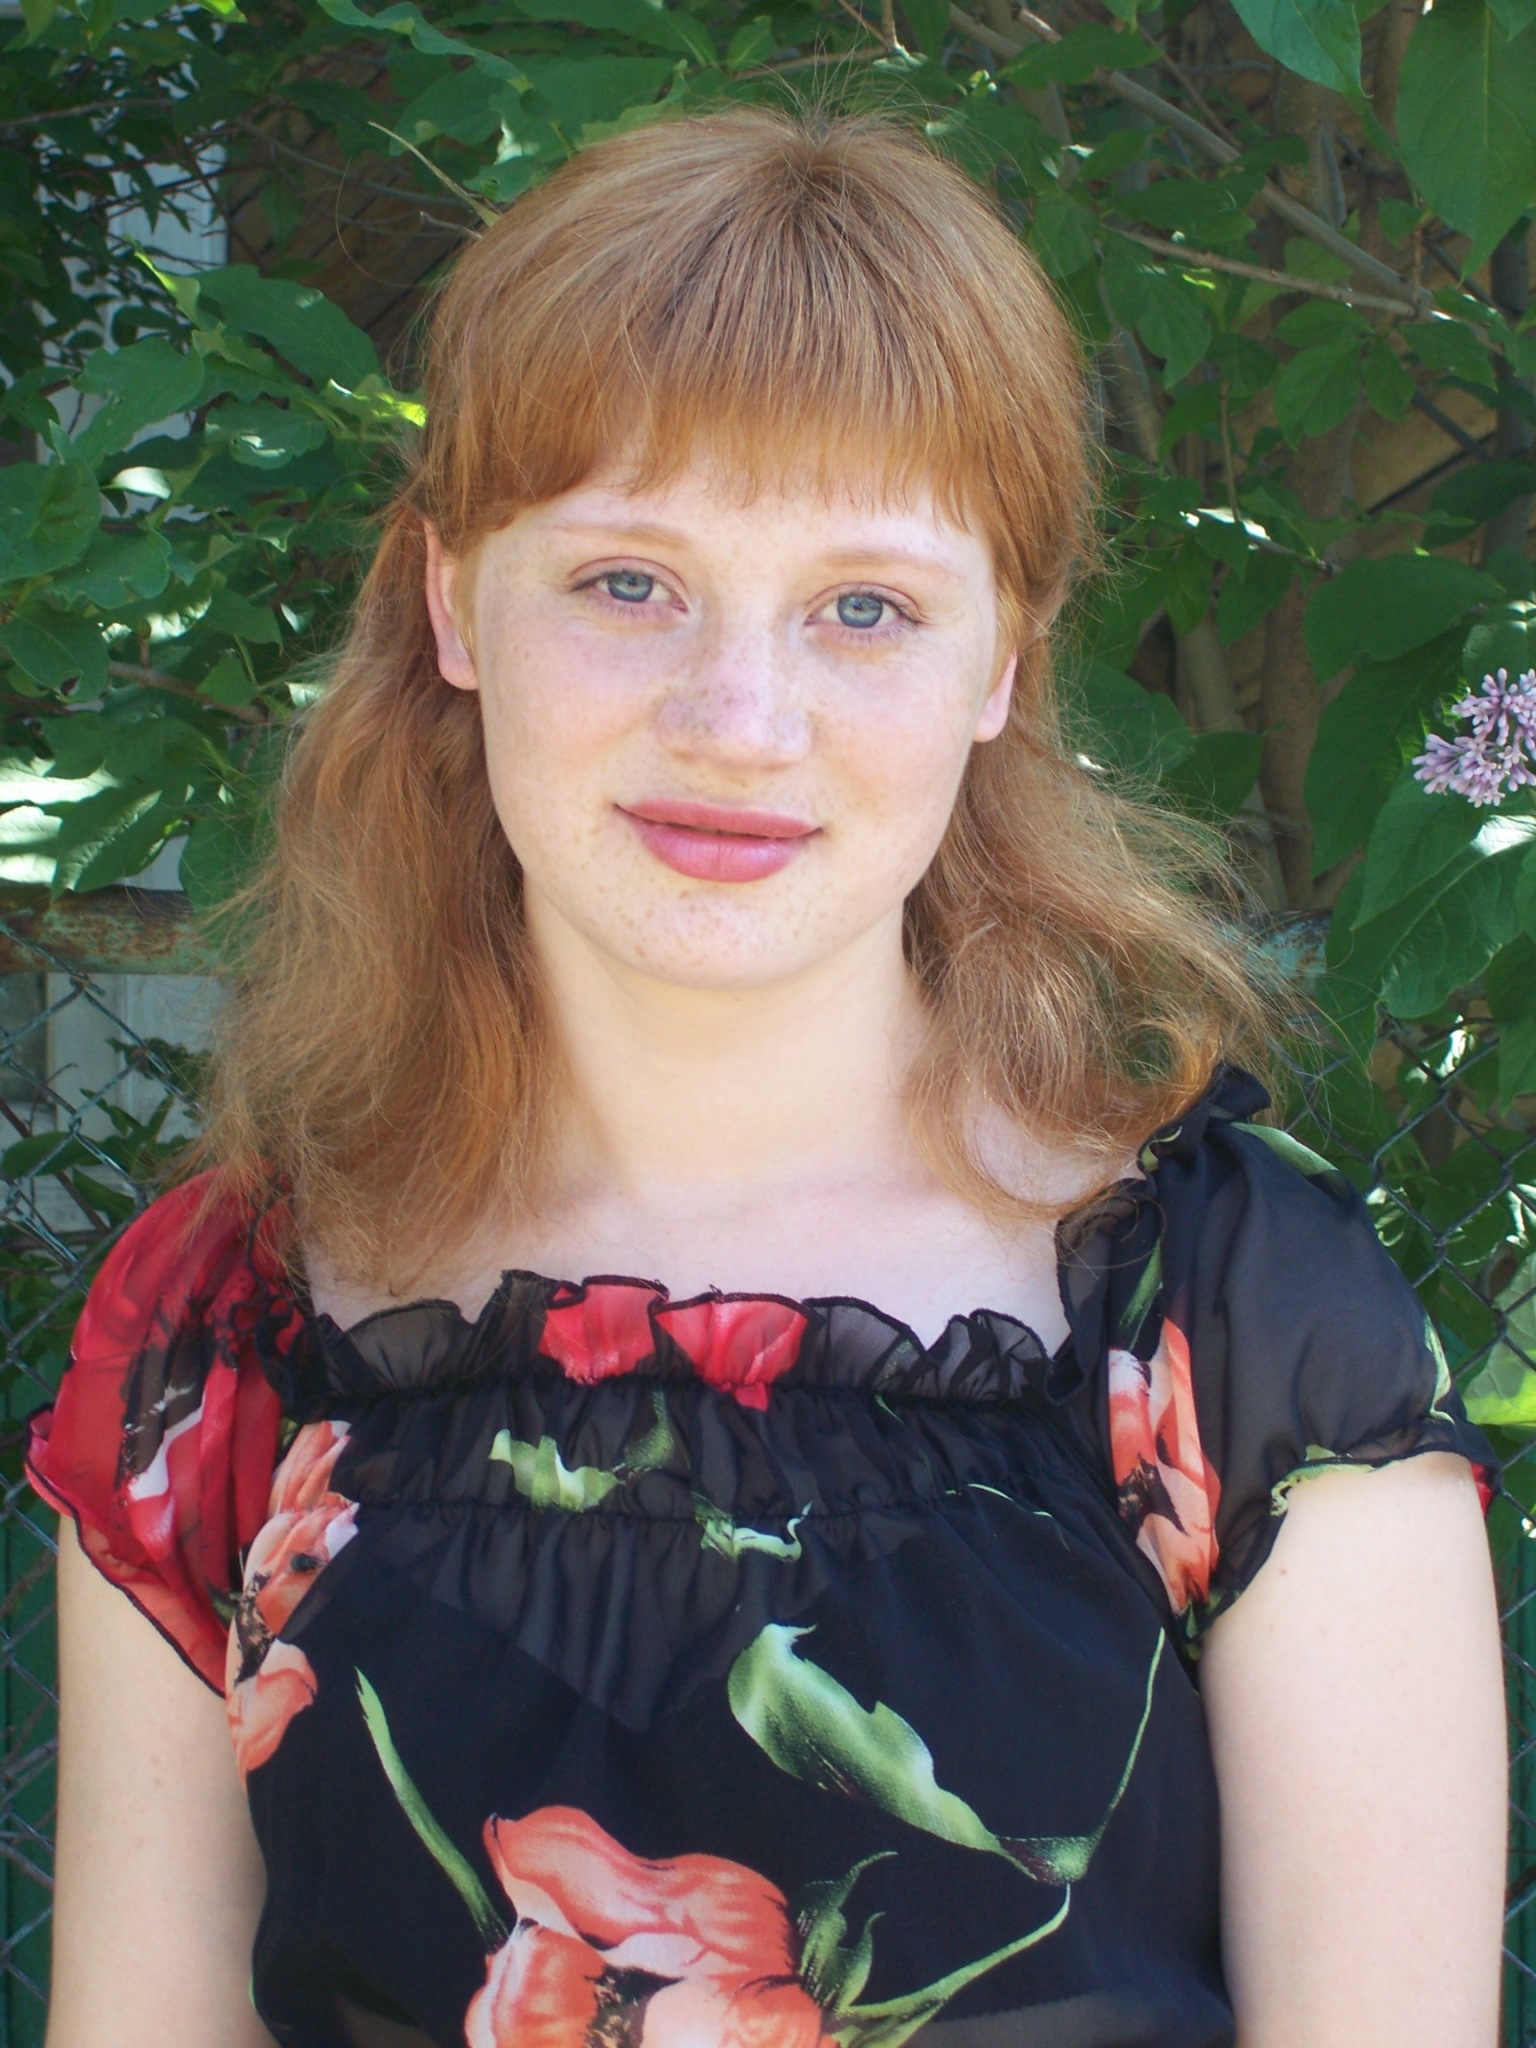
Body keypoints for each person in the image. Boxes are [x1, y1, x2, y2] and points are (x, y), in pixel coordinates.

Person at [30, 106, 1506, 2048]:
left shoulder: (1241, 1322)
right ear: (455, 602)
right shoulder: (220, 1326)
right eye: (627, 582)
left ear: (1003, 662)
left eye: (863, 607)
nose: (739, 719)